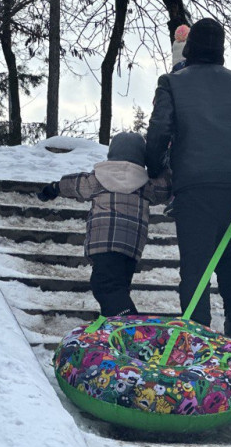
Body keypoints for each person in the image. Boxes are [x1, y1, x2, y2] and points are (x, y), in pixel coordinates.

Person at [145, 18, 231, 346]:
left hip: (193, 185)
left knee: (196, 263)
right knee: (230, 258)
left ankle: (198, 332)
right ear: (221, 49)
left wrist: (155, 166)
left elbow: (161, 129)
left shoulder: (172, 82)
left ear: (190, 47)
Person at [37, 132, 172, 317]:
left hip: (104, 243)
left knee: (104, 285)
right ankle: (114, 327)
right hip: (131, 248)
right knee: (119, 288)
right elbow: (164, 188)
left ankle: (129, 322)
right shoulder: (145, 184)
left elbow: (73, 184)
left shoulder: (98, 179)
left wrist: (52, 188)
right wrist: (165, 166)